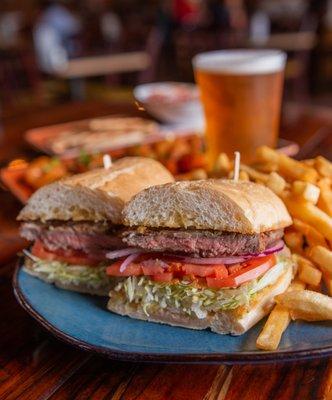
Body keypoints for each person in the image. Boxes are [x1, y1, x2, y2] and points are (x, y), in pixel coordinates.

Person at [33, 0, 81, 73]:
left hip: (43, 65)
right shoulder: (56, 12)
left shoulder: (42, 17)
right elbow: (75, 28)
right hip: (62, 62)